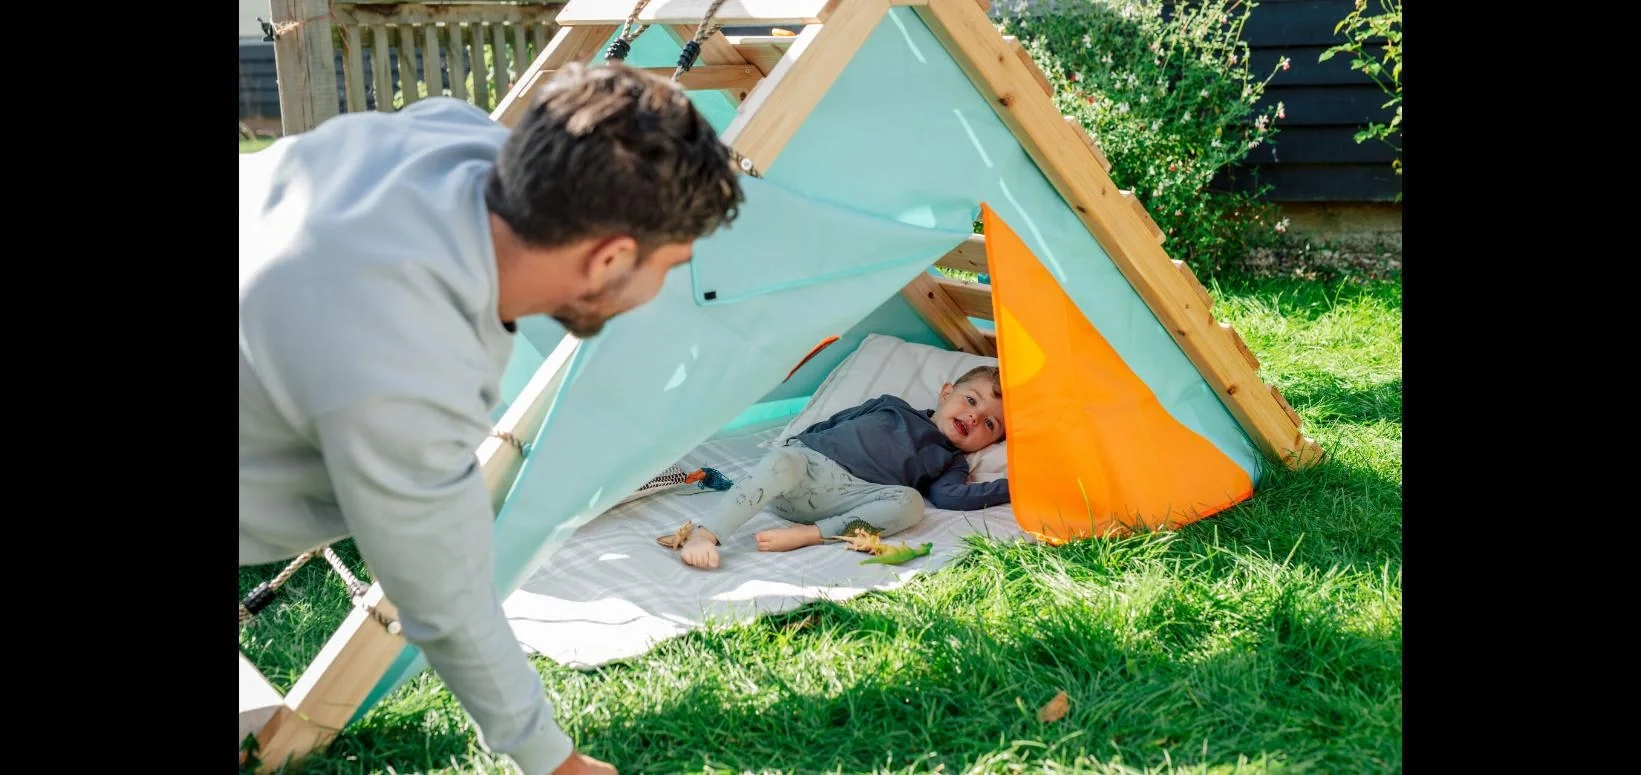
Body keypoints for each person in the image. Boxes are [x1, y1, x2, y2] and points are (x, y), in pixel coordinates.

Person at [239, 63, 744, 775]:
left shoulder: (456, 138)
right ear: (609, 257)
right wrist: (556, 761)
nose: (661, 292)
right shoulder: (400, 355)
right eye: (669, 266)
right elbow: (444, 600)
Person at [664, 366, 1011, 569]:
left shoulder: (950, 461)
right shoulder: (892, 406)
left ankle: (810, 535)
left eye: (990, 424)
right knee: (783, 458)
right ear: (946, 392)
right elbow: (834, 422)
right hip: (809, 468)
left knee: (912, 504)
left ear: (990, 444)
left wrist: (1014, 486)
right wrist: (798, 442)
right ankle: (706, 534)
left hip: (852, 500)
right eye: (971, 400)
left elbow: (950, 497)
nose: (974, 417)